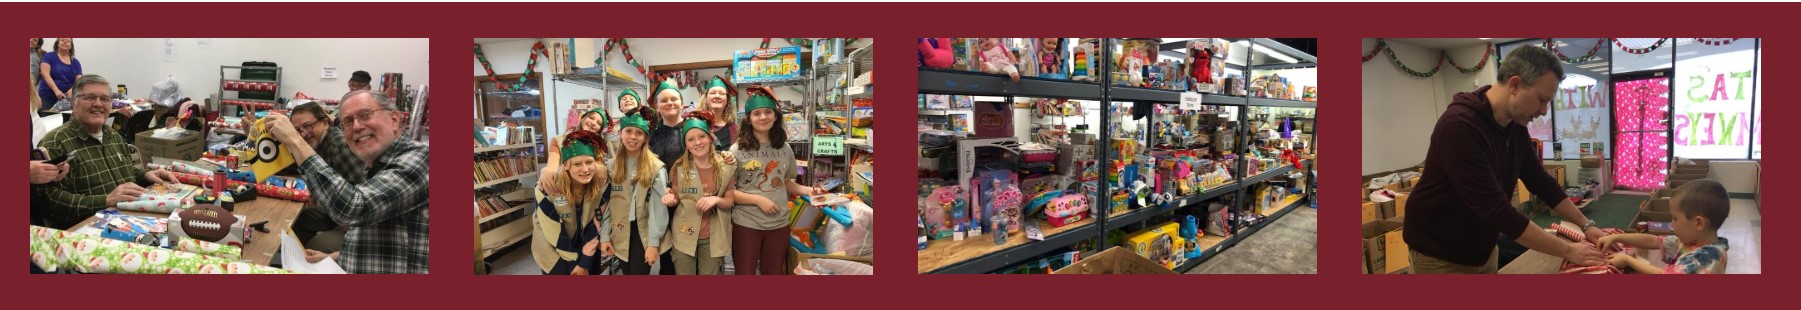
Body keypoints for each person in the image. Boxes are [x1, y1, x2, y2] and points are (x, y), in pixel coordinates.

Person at [1403, 45, 1605, 274]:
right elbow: (1496, 211)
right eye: (1541, 99)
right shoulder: (1460, 127)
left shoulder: (1514, 125)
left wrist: (1586, 225)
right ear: (1515, 84)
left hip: (1482, 247)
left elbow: (1540, 181)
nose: (1543, 111)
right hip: (1440, 253)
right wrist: (1569, 250)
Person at [263, 90, 429, 274]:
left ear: (395, 120)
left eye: (366, 115)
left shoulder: (421, 159)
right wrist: (337, 256)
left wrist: (294, 140)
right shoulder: (376, 164)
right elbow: (376, 235)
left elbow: (353, 207)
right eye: (348, 122)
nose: (357, 127)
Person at [35, 75, 179, 229]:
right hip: (85, 232)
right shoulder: (56, 142)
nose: (98, 104)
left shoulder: (113, 135)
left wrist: (145, 175)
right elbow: (50, 202)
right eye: (90, 97)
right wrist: (106, 200)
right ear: (74, 103)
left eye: (104, 99)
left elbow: (126, 171)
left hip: (128, 221)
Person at [727, 86, 823, 275]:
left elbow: (786, 182)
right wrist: (758, 199)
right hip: (747, 223)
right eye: (757, 113)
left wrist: (809, 191)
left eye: (768, 112)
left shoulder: (785, 148)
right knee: (744, 272)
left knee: (773, 272)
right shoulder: (737, 150)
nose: (763, 117)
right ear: (749, 118)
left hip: (779, 223)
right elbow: (729, 192)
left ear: (776, 115)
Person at [1598, 179, 1732, 274]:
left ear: (1698, 223)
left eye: (1675, 218)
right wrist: (1616, 237)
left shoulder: (1707, 257)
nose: (1672, 223)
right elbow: (1653, 240)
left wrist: (1627, 260)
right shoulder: (1694, 241)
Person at [286, 102, 369, 254]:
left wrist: (345, 227)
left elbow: (365, 198)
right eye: (297, 130)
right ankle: (297, 259)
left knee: (318, 244)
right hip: (337, 210)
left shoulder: (339, 146)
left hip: (361, 224)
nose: (303, 134)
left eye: (308, 126)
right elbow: (290, 164)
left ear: (324, 122)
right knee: (299, 219)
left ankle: (312, 261)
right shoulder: (318, 143)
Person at [665, 111, 737, 275]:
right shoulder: (679, 168)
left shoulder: (725, 167)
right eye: (691, 139)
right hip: (684, 233)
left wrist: (715, 200)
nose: (697, 142)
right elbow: (676, 198)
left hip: (712, 236)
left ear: (710, 138)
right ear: (686, 145)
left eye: (702, 136)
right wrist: (670, 197)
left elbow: (729, 201)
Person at [599, 107, 670, 275]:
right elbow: (608, 204)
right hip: (620, 230)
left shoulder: (655, 167)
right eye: (628, 131)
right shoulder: (612, 166)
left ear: (645, 137)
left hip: (643, 232)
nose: (633, 137)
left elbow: (658, 208)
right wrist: (605, 236)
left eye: (639, 133)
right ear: (620, 133)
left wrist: (653, 243)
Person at [532, 130, 610, 275]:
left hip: (586, 245)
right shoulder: (545, 188)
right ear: (566, 165)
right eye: (577, 164)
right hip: (552, 248)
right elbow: (553, 233)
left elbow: (597, 222)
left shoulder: (602, 182)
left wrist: (585, 261)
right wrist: (575, 266)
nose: (585, 169)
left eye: (589, 162)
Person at [539, 107, 612, 196]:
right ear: (583, 118)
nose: (593, 123)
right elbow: (552, 167)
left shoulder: (598, 147)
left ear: (599, 130)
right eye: (591, 118)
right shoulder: (558, 141)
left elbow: (600, 172)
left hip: (588, 196)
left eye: (598, 123)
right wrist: (546, 171)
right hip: (562, 192)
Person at [38, 38, 81, 112]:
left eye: (68, 41)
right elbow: (45, 74)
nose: (65, 42)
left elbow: (79, 78)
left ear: (71, 46)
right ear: (57, 44)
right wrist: (56, 90)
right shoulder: (48, 56)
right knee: (48, 120)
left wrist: (72, 89)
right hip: (47, 97)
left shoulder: (76, 62)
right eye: (62, 40)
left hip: (67, 100)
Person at [700, 76, 738, 151]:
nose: (717, 96)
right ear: (705, 98)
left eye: (722, 93)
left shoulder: (734, 129)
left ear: (727, 100)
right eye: (713, 93)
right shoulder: (696, 124)